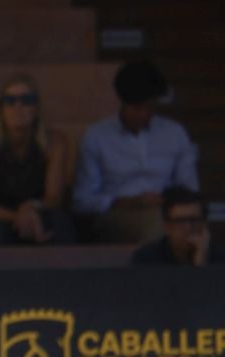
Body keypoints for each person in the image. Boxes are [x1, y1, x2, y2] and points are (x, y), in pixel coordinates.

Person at [73, 59, 199, 245]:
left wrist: (166, 201)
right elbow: (82, 201)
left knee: (183, 225)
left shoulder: (175, 134)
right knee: (157, 225)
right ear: (123, 103)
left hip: (169, 211)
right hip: (116, 216)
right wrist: (128, 202)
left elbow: (190, 188)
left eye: (150, 107)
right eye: (137, 108)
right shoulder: (97, 136)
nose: (143, 115)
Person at [0, 73, 75, 246]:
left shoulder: (55, 141)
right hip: (0, 214)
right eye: (10, 101)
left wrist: (31, 209)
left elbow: (54, 197)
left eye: (26, 100)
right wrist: (20, 216)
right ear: (0, 109)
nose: (18, 106)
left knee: (59, 223)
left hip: (41, 209)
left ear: (36, 108)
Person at [130, 188, 220, 266]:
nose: (188, 227)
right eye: (180, 221)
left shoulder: (220, 258)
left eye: (193, 220)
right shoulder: (146, 259)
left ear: (204, 223)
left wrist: (201, 260)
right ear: (167, 226)